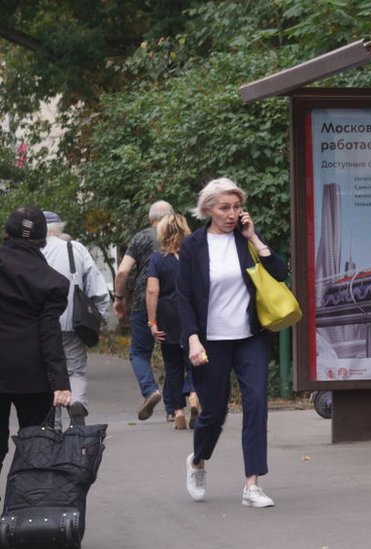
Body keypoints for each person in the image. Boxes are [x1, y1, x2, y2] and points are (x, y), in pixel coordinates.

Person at [178, 177, 287, 508]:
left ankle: (252, 484)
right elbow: (184, 298)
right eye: (225, 207)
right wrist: (193, 339)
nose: (232, 213)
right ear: (208, 208)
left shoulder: (246, 240)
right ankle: (197, 460)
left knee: (256, 403)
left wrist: (253, 236)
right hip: (211, 341)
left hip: (249, 337)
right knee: (214, 411)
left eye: (236, 207)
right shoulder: (193, 246)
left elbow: (280, 272)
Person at [0, 206, 72, 469]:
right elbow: (49, 332)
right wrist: (60, 382)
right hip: (33, 373)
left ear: (7, 232)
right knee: (35, 444)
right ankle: (26, 506)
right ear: (42, 240)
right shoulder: (52, 282)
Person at [40, 211, 111, 426]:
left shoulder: (33, 251)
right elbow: (96, 286)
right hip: (73, 322)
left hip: (42, 324)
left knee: (47, 373)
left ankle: (54, 424)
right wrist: (101, 316)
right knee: (75, 370)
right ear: (60, 228)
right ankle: (77, 401)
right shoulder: (75, 248)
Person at [114, 200, 174, 421]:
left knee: (139, 352)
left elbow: (122, 272)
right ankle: (173, 409)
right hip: (174, 301)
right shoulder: (180, 236)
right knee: (174, 354)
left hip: (143, 300)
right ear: (172, 216)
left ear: (151, 219)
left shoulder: (140, 237)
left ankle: (150, 390)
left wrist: (118, 298)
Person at [146, 213, 199, 430]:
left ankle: (178, 412)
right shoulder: (194, 255)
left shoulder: (157, 259)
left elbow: (152, 290)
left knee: (173, 366)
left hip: (168, 317)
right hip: (192, 315)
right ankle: (195, 395)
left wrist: (152, 323)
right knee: (195, 361)